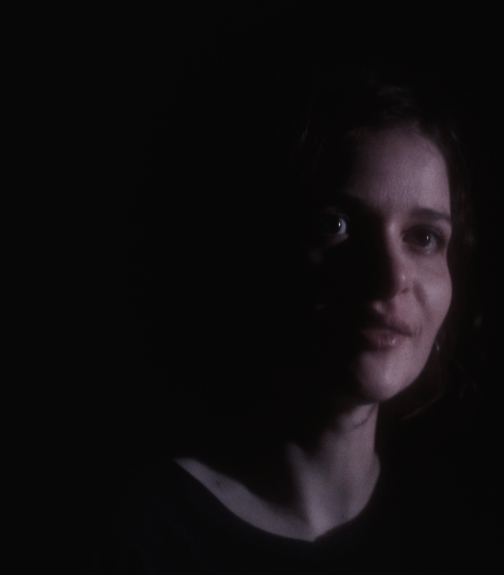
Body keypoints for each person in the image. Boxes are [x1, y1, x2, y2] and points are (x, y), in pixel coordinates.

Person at [92, 76, 481, 574]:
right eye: (335, 225)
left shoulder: (464, 529)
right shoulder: (133, 539)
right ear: (258, 251)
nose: (389, 279)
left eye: (424, 237)